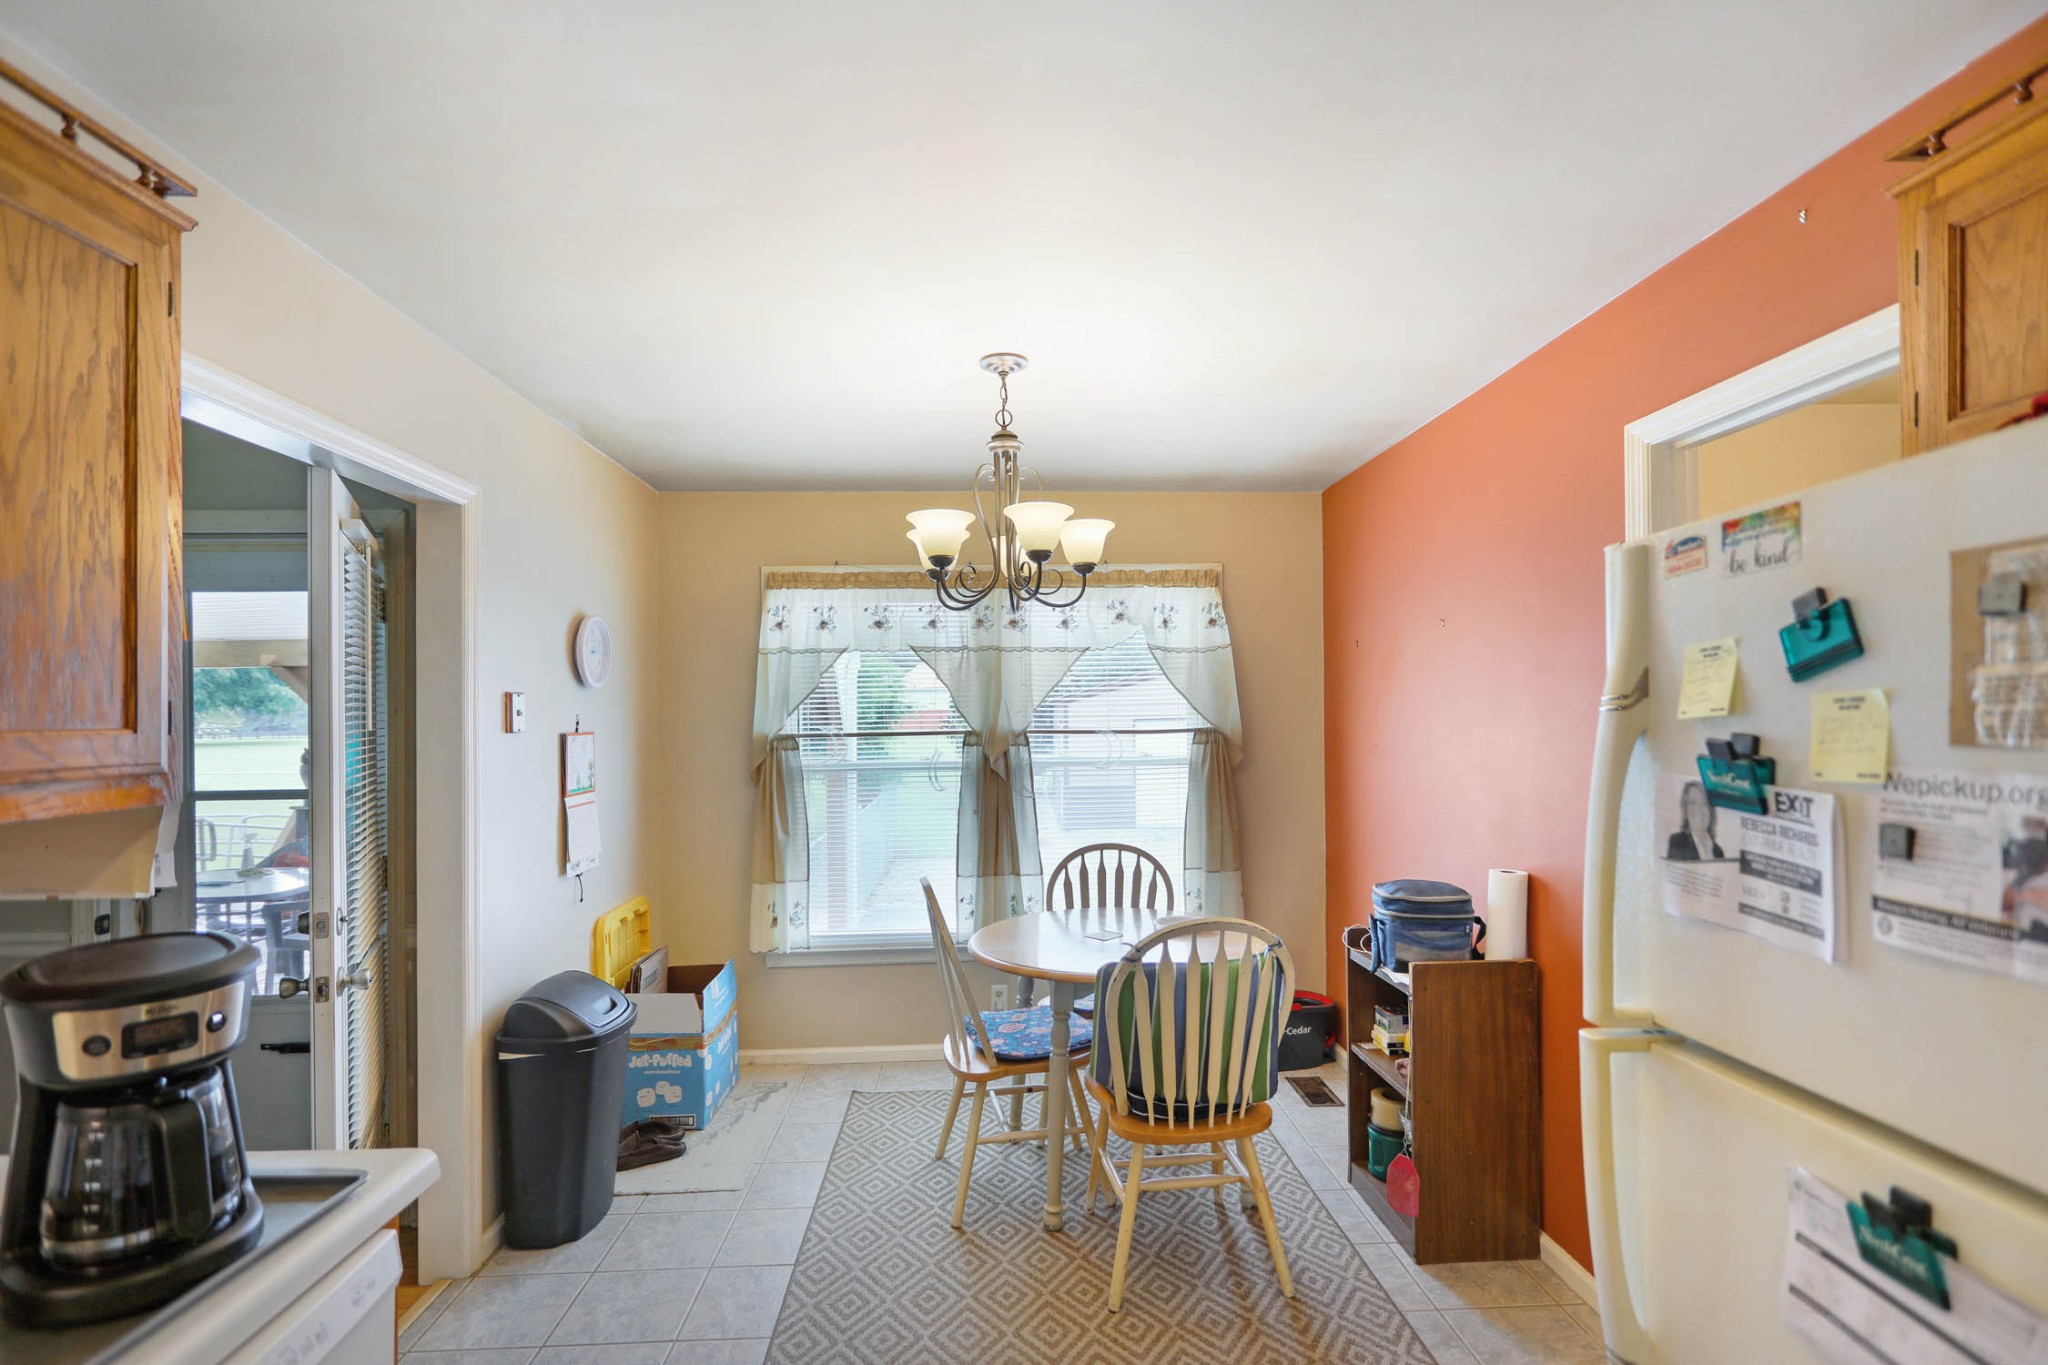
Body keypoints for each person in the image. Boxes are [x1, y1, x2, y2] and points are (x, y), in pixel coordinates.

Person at [1666, 780, 1723, 861]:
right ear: (1685, 810)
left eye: (1704, 803)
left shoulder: (1718, 852)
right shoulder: (1677, 842)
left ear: (1711, 811)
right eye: (1692, 803)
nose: (1698, 809)